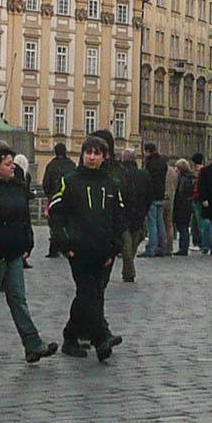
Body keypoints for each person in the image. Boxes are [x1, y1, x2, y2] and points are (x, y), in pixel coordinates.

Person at [0, 143, 58, 364]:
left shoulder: (17, 188)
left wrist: (27, 242)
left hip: (14, 253)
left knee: (18, 299)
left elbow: (23, 218)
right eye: (7, 164)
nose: (12, 167)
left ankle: (33, 344)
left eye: (12, 163)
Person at [47, 134, 127, 362]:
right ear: (82, 155)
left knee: (92, 295)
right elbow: (55, 212)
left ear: (104, 157)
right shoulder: (71, 181)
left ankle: (72, 336)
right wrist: (64, 243)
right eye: (88, 153)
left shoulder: (111, 183)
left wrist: (114, 248)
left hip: (104, 251)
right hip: (79, 250)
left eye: (96, 153)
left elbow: (119, 217)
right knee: (88, 292)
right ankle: (101, 337)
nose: (92, 157)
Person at [116, 146, 153, 283]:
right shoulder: (144, 174)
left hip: (123, 214)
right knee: (134, 241)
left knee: (126, 244)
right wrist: (144, 210)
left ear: (122, 159)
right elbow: (150, 195)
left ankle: (129, 272)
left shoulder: (119, 175)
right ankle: (128, 270)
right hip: (139, 214)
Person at [39, 143, 75, 255]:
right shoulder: (71, 165)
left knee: (55, 224)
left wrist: (49, 195)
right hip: (69, 199)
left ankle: (54, 249)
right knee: (69, 223)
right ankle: (68, 247)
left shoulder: (51, 165)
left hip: (54, 199)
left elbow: (46, 183)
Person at [141, 144, 171, 257]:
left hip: (152, 196)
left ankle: (151, 248)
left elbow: (148, 180)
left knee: (152, 223)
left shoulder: (150, 163)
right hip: (161, 195)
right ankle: (162, 247)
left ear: (148, 151)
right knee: (160, 222)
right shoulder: (163, 162)